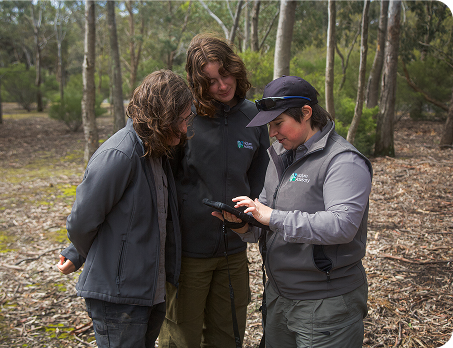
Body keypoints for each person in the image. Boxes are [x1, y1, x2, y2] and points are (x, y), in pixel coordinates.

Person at [214, 75, 373, 348]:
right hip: (279, 296)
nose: (273, 133)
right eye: (269, 126)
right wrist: (243, 224)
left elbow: (343, 225)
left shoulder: (343, 160)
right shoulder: (278, 155)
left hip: (326, 303)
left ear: (307, 113)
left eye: (278, 124)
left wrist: (272, 217)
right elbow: (264, 216)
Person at [55, 69, 193, 348]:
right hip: (119, 299)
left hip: (148, 294)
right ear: (163, 115)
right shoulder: (119, 154)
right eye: (182, 120)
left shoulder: (156, 152)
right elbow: (82, 221)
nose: (185, 129)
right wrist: (79, 252)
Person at [158, 34, 270, 347]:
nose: (221, 85)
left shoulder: (254, 118)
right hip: (187, 254)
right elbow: (164, 179)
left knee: (227, 338)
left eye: (225, 74)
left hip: (234, 251)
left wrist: (250, 226)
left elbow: (262, 185)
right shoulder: (185, 116)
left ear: (236, 68)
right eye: (210, 81)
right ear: (197, 84)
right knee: (182, 339)